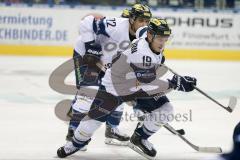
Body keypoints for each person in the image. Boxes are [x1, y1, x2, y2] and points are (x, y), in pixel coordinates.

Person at [57, 17, 197, 159]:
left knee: (166, 110)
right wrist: (176, 83)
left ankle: (140, 137)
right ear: (150, 36)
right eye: (160, 38)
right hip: (114, 87)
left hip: (135, 85)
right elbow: (148, 82)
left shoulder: (144, 34)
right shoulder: (142, 54)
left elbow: (140, 30)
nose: (163, 43)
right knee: (93, 121)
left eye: (165, 38)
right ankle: (75, 144)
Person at [65, 3, 152, 148]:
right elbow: (86, 22)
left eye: (147, 21)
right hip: (86, 56)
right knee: (88, 93)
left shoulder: (143, 37)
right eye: (141, 20)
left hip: (108, 63)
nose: (144, 24)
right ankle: (73, 132)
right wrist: (90, 46)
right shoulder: (116, 25)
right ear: (132, 19)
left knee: (117, 93)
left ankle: (111, 129)